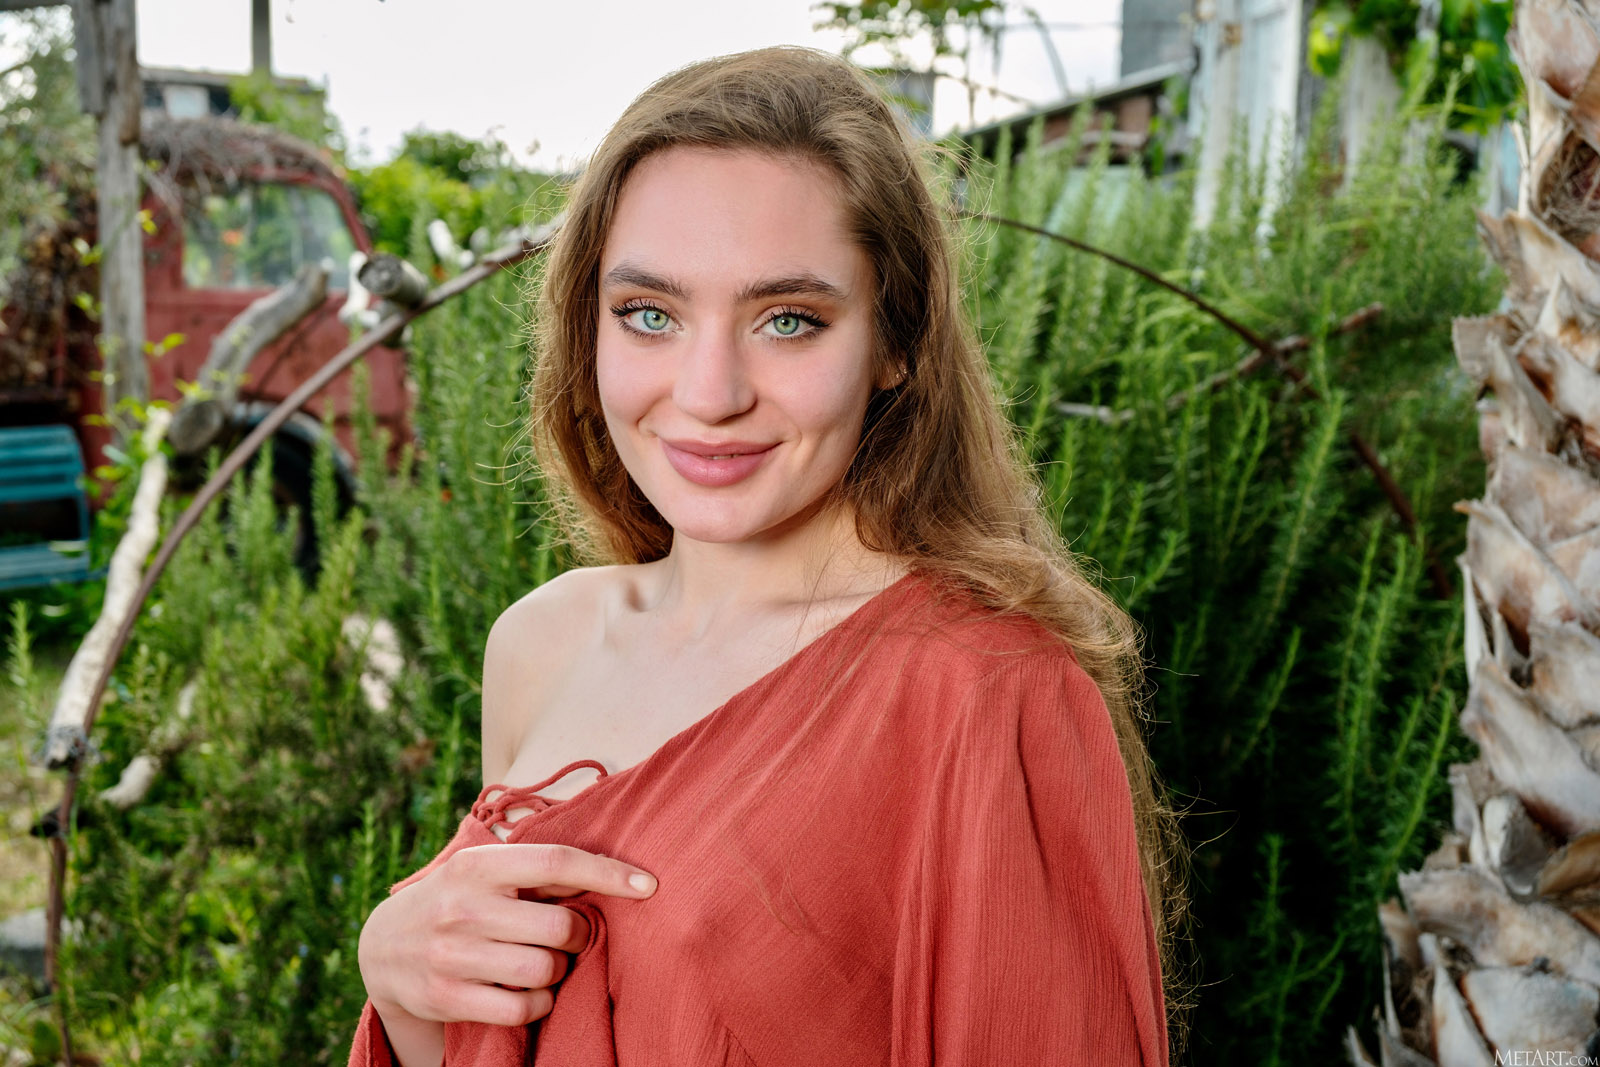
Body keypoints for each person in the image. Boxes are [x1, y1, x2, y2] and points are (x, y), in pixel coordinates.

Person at [350, 45, 1183, 1067]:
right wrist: (401, 987)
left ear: (896, 342)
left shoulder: (988, 690)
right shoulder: (541, 642)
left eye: (788, 320)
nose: (709, 393)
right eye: (648, 314)